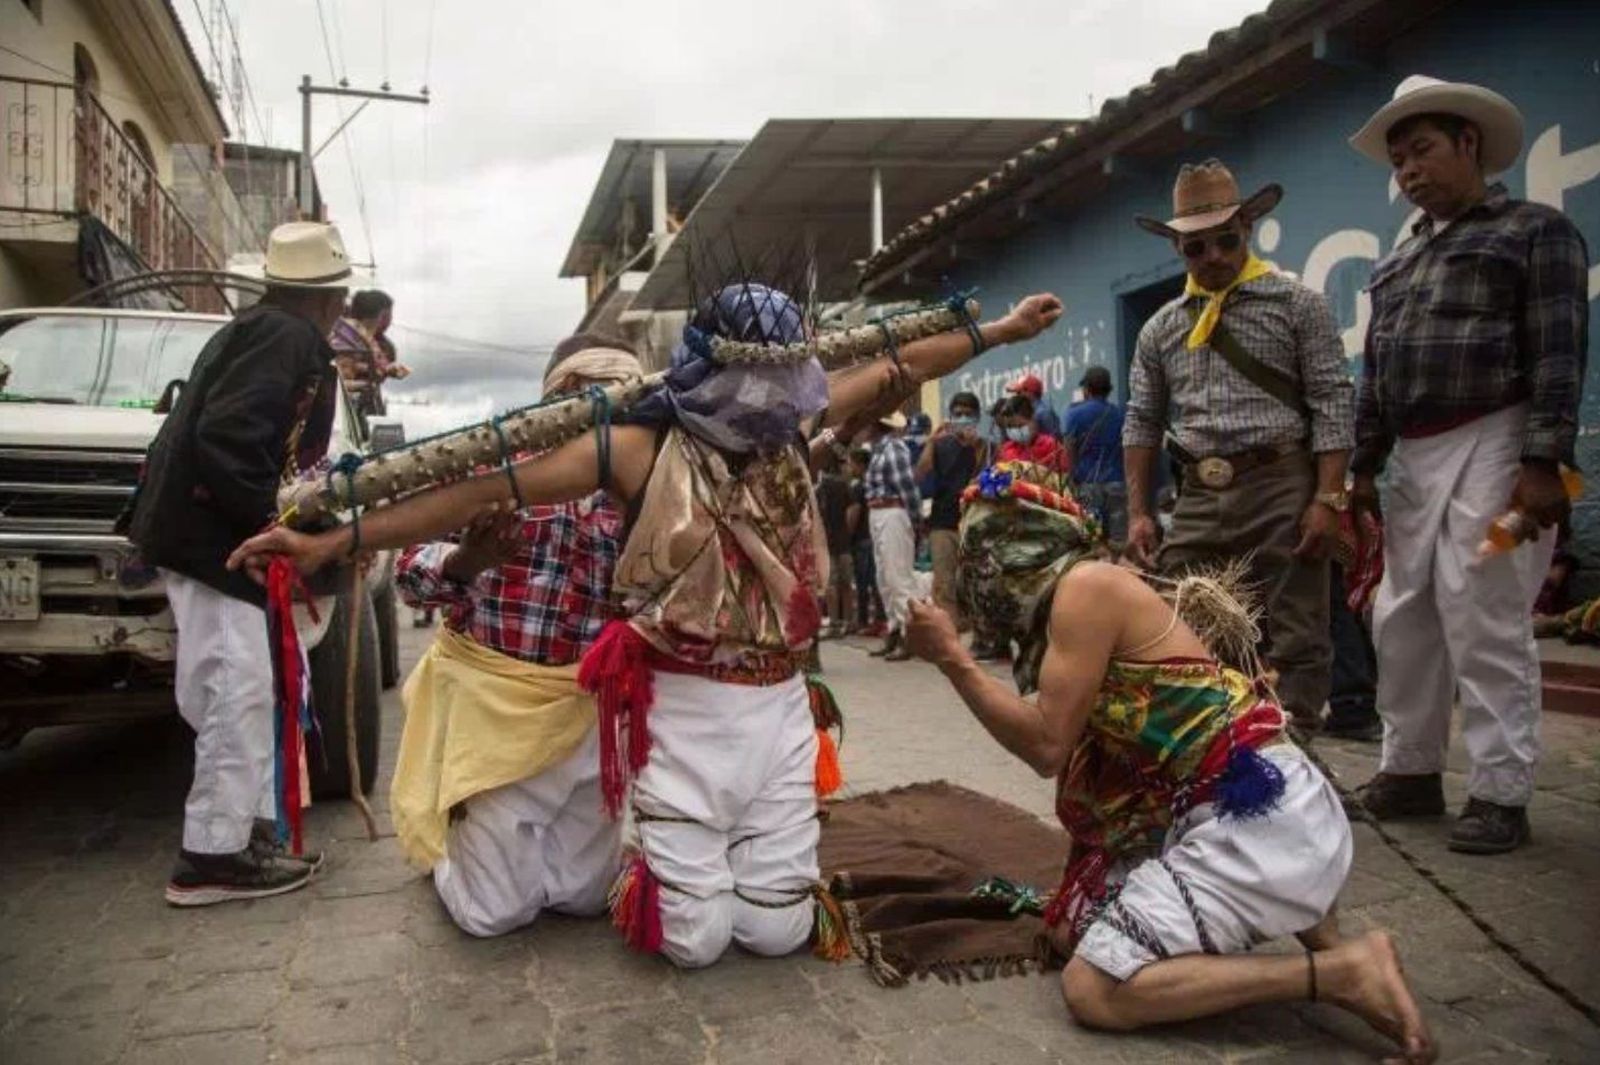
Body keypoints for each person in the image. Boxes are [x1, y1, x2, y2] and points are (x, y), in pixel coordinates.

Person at [229, 284, 1064, 968]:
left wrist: (1001, 330)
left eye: (787, 381)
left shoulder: (791, 424)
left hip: (778, 703)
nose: (773, 399)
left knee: (777, 931)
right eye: (758, 382)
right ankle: (507, 845)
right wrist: (337, 539)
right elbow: (475, 487)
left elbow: (901, 362)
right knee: (688, 941)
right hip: (680, 704)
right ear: (713, 371)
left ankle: (717, 859)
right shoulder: (634, 446)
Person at [902, 462, 1435, 1064]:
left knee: (1094, 987)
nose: (981, 571)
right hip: (1263, 816)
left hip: (1264, 819)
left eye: (988, 547)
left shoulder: (1087, 588)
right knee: (1073, 928)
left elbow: (1046, 747)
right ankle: (1330, 944)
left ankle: (1339, 972)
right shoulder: (1082, 597)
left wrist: (953, 660)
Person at [1346, 77, 1589, 853]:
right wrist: (1360, 467)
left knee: (1484, 609)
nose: (1409, 170)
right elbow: (1376, 373)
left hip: (1501, 436)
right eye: (1399, 160)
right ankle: (1410, 771)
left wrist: (1544, 459)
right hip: (1413, 457)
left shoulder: (1534, 231)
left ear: (1470, 145)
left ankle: (1499, 790)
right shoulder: (1395, 263)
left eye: (1423, 150)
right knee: (1403, 614)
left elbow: (1559, 350)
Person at [126, 221, 355, 906]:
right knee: (237, 685)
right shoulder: (285, 339)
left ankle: (237, 834)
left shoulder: (262, 331)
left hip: (200, 533)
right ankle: (213, 857)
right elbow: (230, 436)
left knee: (231, 682)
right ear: (330, 298)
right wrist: (271, 525)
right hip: (215, 539)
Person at [390, 337, 642, 936]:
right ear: (553, 399)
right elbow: (409, 572)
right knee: (493, 913)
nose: (601, 411)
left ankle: (503, 848)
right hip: (495, 710)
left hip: (588, 713)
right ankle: (456, 835)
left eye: (617, 396)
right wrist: (466, 561)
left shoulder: (646, 485)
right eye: (582, 396)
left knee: (583, 899)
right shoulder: (492, 469)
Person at [1123, 158, 1355, 733]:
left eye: (1225, 241)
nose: (1213, 258)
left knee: (1299, 628)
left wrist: (1329, 499)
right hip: (1199, 492)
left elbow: (1333, 400)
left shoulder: (1297, 305)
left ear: (1246, 231)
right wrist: (1137, 513)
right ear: (1180, 250)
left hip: (1281, 482)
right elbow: (1143, 421)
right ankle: (1213, 750)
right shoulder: (1160, 328)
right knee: (1185, 621)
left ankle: (1295, 759)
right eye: (1195, 249)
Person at [917, 391, 987, 629]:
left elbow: (981, 479)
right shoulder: (940, 445)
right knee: (944, 583)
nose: (963, 418)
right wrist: (930, 442)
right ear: (951, 416)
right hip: (942, 522)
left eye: (968, 414)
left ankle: (978, 631)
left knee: (973, 580)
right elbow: (920, 474)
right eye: (958, 414)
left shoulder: (984, 445)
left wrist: (975, 448)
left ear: (977, 417)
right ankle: (949, 632)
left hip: (972, 521)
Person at [862, 410, 921, 662]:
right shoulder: (879, 450)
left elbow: (907, 486)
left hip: (892, 512)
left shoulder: (893, 448)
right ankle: (895, 630)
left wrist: (916, 518)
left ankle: (910, 636)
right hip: (880, 512)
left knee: (898, 578)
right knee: (885, 578)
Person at [1062, 365, 1127, 544]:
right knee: (1120, 540)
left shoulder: (1074, 414)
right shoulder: (1120, 414)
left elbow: (1069, 449)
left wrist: (1072, 477)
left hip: (1088, 485)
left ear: (1087, 389)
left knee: (1092, 541)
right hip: (1117, 483)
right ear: (1108, 390)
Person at [330, 289, 409, 419]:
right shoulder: (349, 341)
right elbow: (341, 384)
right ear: (384, 316)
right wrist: (368, 384)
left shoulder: (352, 335)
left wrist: (387, 370)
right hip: (345, 416)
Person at [813, 447, 856, 638]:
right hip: (843, 541)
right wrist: (848, 532)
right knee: (846, 584)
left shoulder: (819, 489)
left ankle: (834, 623)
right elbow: (852, 511)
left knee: (831, 585)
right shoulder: (845, 486)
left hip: (827, 542)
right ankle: (848, 621)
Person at [847, 446, 885, 636]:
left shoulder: (857, 487)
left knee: (864, 583)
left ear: (860, 464)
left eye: (851, 463)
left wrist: (848, 535)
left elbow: (854, 513)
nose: (849, 467)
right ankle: (879, 619)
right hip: (873, 535)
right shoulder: (872, 485)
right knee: (875, 581)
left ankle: (864, 621)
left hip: (861, 539)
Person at [997, 394, 1069, 473]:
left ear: (1033, 420)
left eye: (1020, 426)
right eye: (1010, 427)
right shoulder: (1006, 450)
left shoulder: (1050, 446)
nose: (1015, 430)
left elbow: (1064, 474)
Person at [1007, 372, 1062, 440]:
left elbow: (1055, 440)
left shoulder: (1043, 413)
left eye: (1019, 392)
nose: (1018, 396)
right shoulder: (1029, 412)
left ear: (1030, 393)